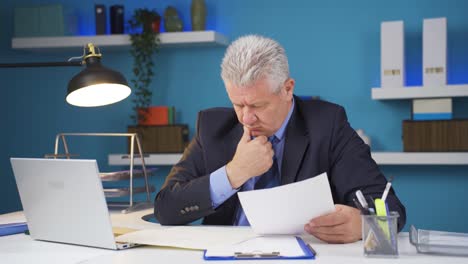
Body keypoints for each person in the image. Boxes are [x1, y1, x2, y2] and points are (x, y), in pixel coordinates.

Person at [154, 34, 406, 244]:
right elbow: (165, 208)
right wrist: (233, 173)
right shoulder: (212, 128)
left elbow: (390, 206)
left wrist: (364, 225)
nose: (246, 118)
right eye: (237, 105)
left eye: (257, 105)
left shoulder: (328, 125)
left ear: (287, 89)